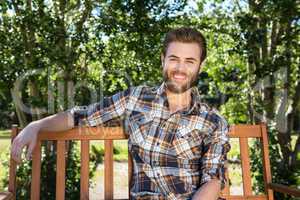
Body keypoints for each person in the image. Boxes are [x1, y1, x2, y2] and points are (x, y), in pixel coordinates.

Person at [11, 27, 231, 200]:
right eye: (174, 58)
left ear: (200, 66)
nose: (180, 68)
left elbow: (213, 180)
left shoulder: (213, 121)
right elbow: (80, 116)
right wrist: (36, 126)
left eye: (189, 61)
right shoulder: (135, 99)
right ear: (163, 59)